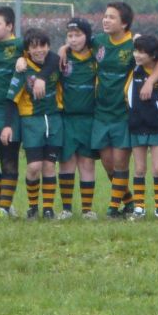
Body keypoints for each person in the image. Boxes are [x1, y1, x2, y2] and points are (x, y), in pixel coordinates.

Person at [60, 2, 158, 219]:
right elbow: (76, 44)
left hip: (123, 113)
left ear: (124, 23)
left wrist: (150, 82)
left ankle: (114, 208)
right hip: (101, 113)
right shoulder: (98, 41)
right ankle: (129, 201)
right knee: (108, 163)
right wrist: (63, 48)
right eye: (105, 16)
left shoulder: (134, 43)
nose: (106, 20)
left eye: (111, 17)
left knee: (119, 162)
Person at [0, 7, 57, 218]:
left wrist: (39, 75)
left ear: (9, 26)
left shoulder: (21, 46)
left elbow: (51, 57)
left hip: (11, 112)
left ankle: (4, 210)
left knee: (9, 161)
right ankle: (5, 206)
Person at [1, 28, 62, 220]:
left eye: (42, 46)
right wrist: (8, 125)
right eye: (34, 47)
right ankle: (33, 207)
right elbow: (11, 100)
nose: (39, 51)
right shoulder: (23, 69)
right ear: (27, 50)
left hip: (54, 120)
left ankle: (49, 209)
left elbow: (54, 58)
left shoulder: (54, 64)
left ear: (48, 46)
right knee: (34, 166)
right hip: (31, 122)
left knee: (50, 166)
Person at [127, 35, 158, 221]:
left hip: (157, 126)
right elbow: (135, 39)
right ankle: (139, 208)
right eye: (136, 51)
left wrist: (150, 82)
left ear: (153, 55)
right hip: (137, 125)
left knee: (157, 168)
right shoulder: (133, 69)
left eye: (142, 52)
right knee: (139, 169)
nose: (137, 55)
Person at [58, 18, 98, 220]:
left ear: (87, 36)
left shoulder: (96, 56)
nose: (73, 40)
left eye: (78, 35)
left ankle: (87, 209)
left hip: (89, 119)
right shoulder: (62, 58)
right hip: (67, 118)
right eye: (70, 36)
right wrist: (63, 49)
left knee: (87, 163)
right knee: (66, 162)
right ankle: (66, 209)